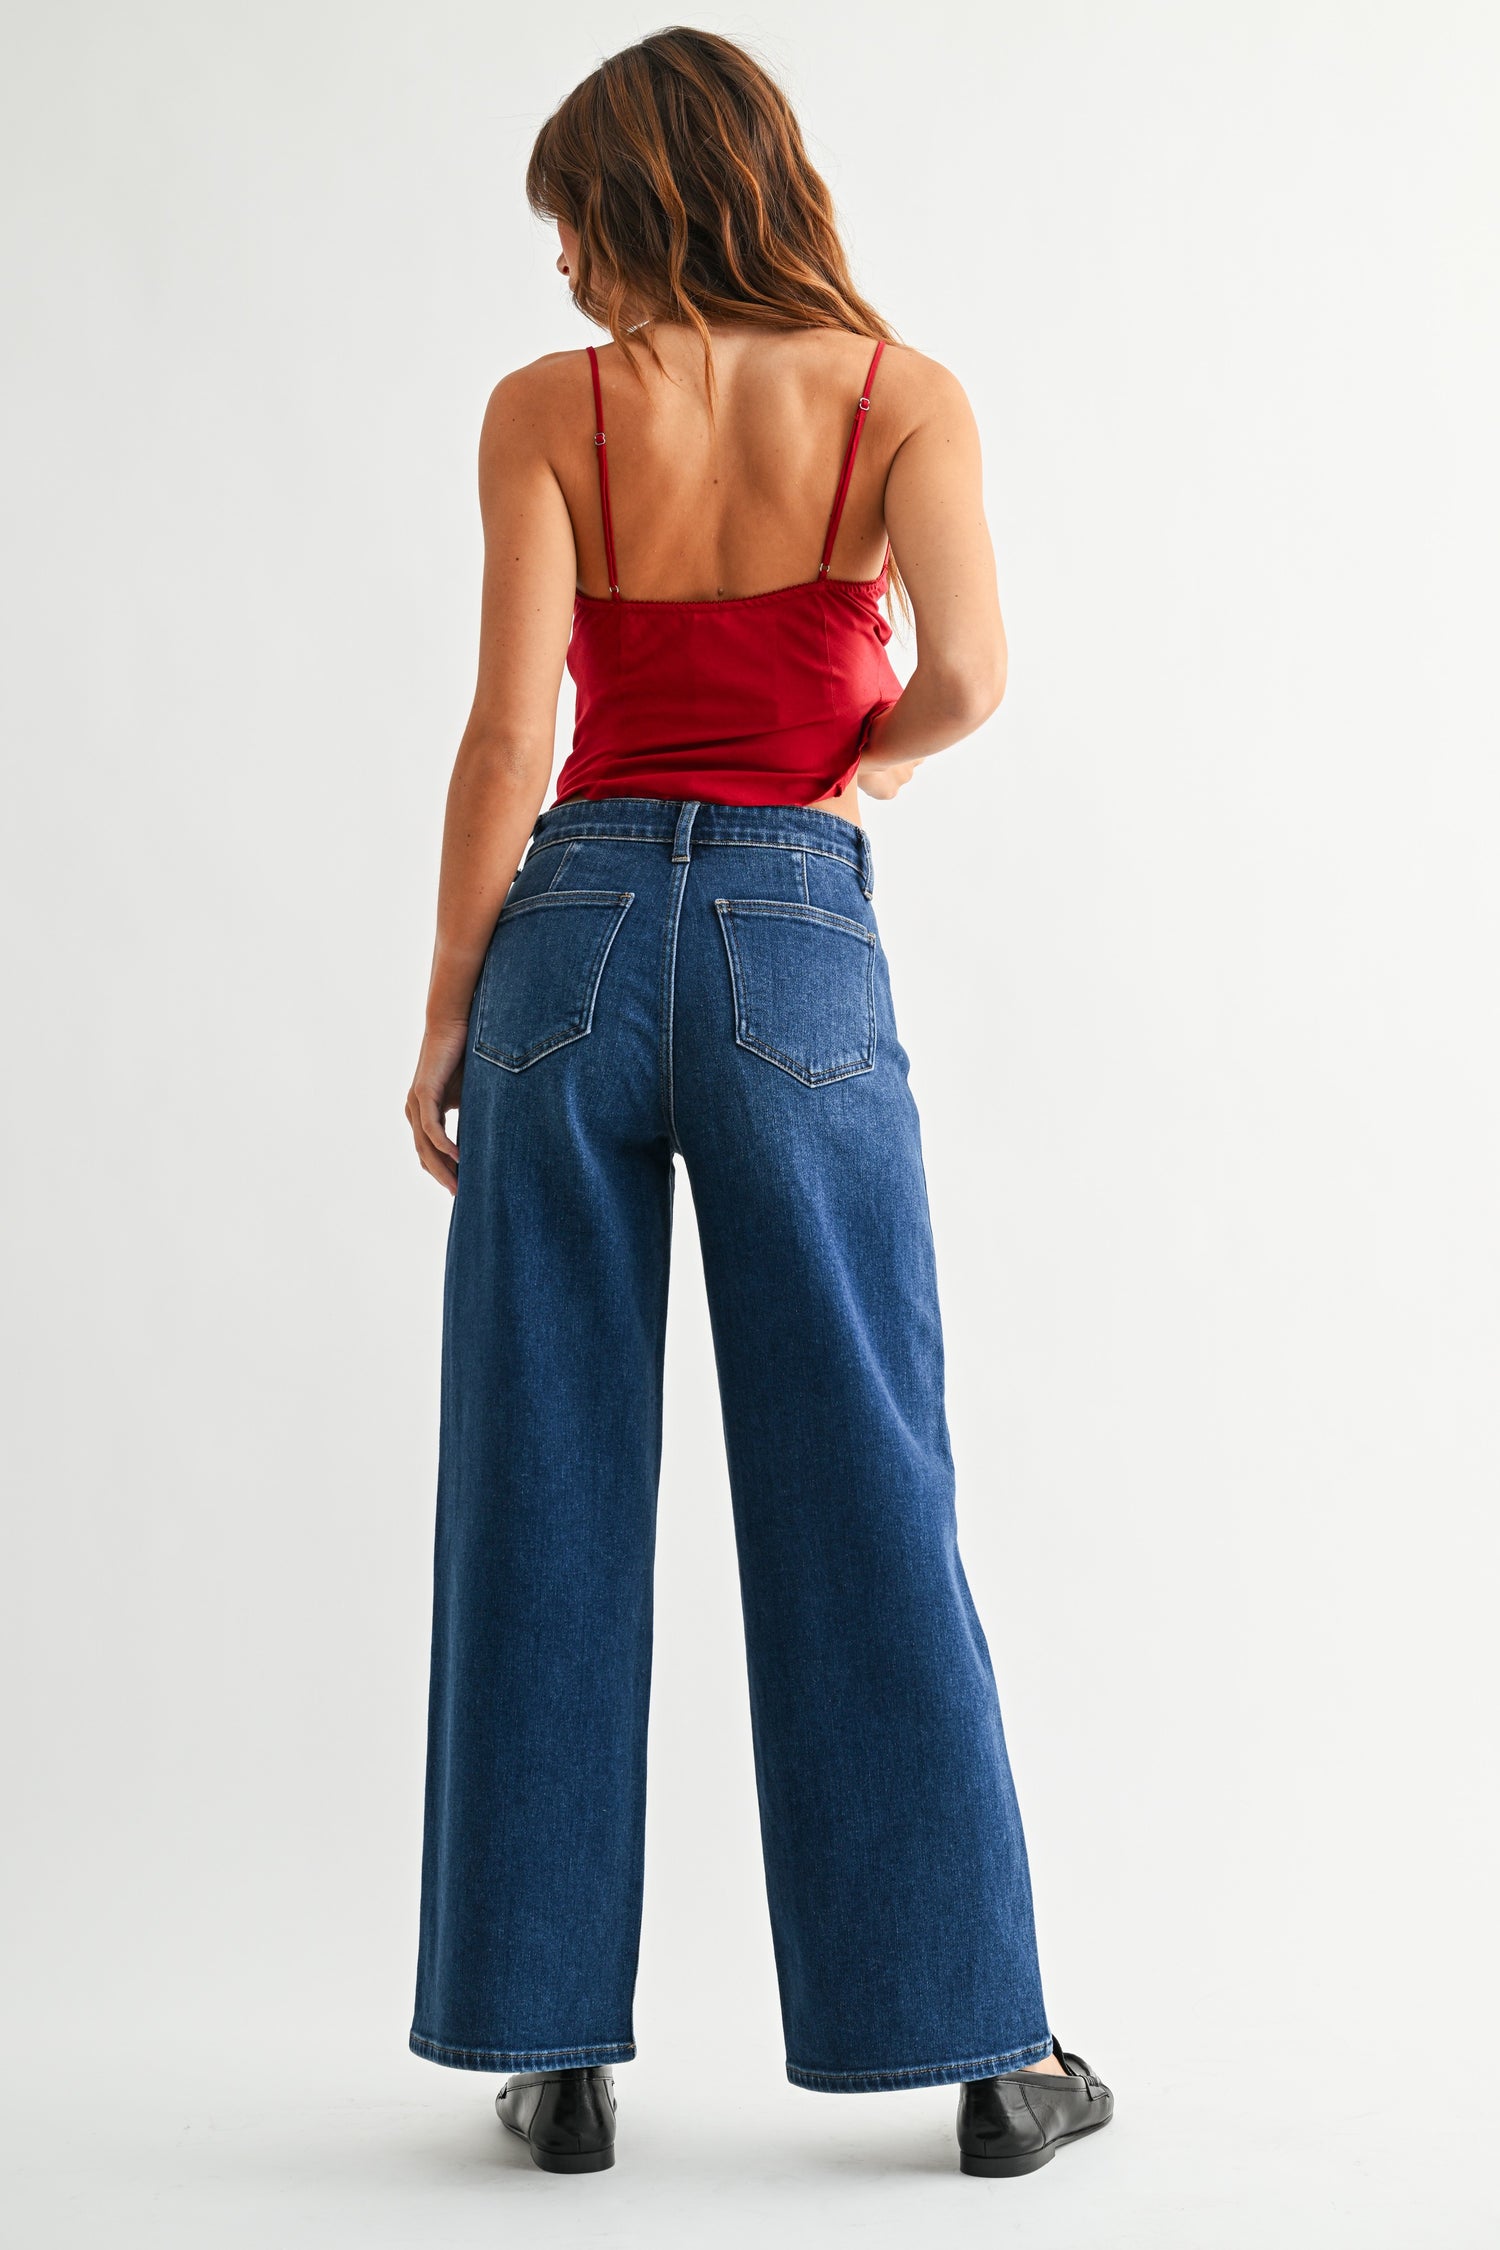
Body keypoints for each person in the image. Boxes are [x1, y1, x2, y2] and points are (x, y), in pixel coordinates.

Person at [403, 27, 1112, 2181]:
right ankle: (985, 2056)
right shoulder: (900, 398)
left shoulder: (552, 417)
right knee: (865, 1477)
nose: (559, 268)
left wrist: (450, 1003)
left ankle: (550, 2050)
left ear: (647, 196)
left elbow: (504, 732)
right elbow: (978, 666)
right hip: (798, 931)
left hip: (575, 937)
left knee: (540, 1479)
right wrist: (865, 757)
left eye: (575, 219)